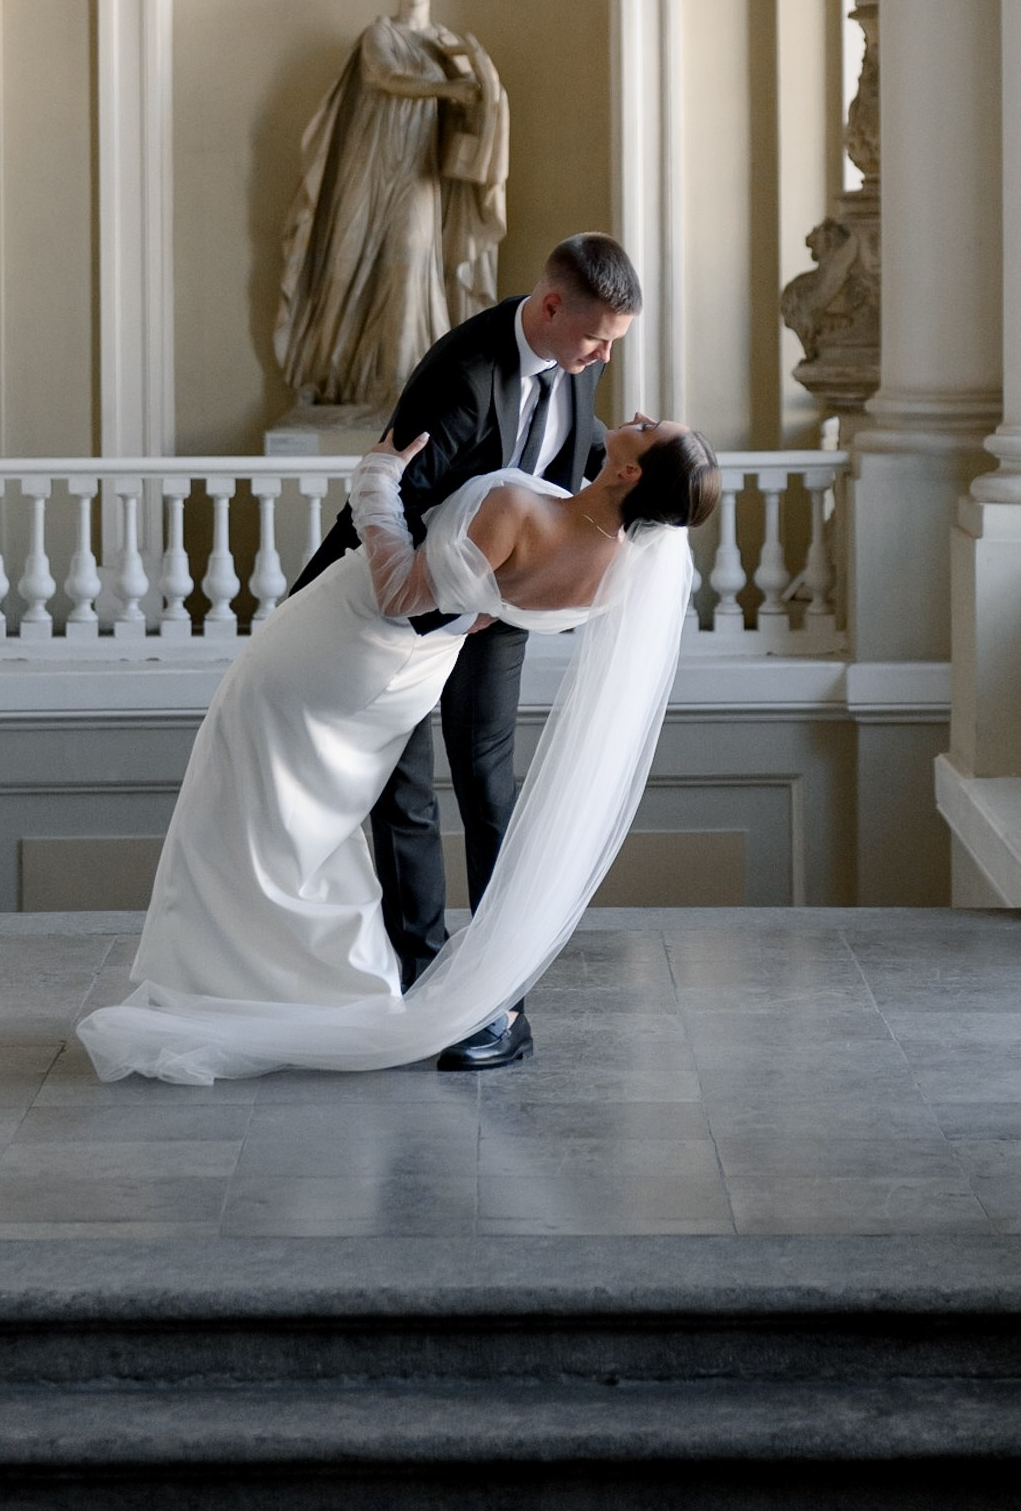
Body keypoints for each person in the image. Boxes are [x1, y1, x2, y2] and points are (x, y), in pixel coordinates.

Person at [77, 415, 719, 1087]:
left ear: (630, 473)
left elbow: (401, 594)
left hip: (341, 648)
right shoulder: (611, 572)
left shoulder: (518, 509)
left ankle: (224, 988)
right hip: (407, 681)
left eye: (647, 430)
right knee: (296, 826)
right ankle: (299, 988)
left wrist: (375, 484)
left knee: (237, 807)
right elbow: (487, 604)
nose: (636, 417)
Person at [293, 230, 642, 1071]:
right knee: (403, 789)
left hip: (496, 607)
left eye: (610, 346)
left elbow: (567, 455)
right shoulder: (460, 374)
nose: (602, 357)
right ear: (552, 305)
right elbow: (398, 513)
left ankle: (498, 986)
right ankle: (426, 987)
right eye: (596, 338)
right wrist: (456, 604)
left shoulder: (581, 357)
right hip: (404, 612)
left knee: (490, 789)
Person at [272, 0, 507, 419]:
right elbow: (386, 77)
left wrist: (485, 100)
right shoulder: (378, 34)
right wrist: (450, 89)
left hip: (421, 174)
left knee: (411, 260)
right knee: (347, 261)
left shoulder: (448, 45)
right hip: (370, 164)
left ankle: (404, 386)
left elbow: (482, 107)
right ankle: (332, 376)